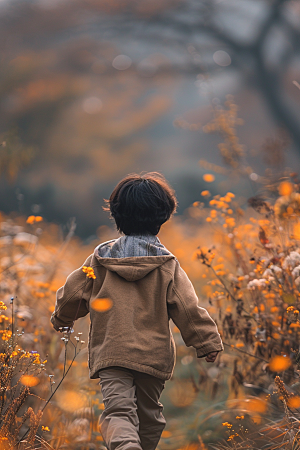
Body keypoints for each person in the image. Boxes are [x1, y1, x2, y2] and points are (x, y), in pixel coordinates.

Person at [50, 172, 223, 450]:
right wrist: (206, 342)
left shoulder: (99, 259)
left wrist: (62, 319)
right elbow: (188, 307)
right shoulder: (167, 264)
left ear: (116, 214)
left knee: (118, 413)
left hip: (112, 353)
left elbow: (72, 293)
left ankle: (126, 446)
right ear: (163, 216)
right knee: (150, 418)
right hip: (152, 356)